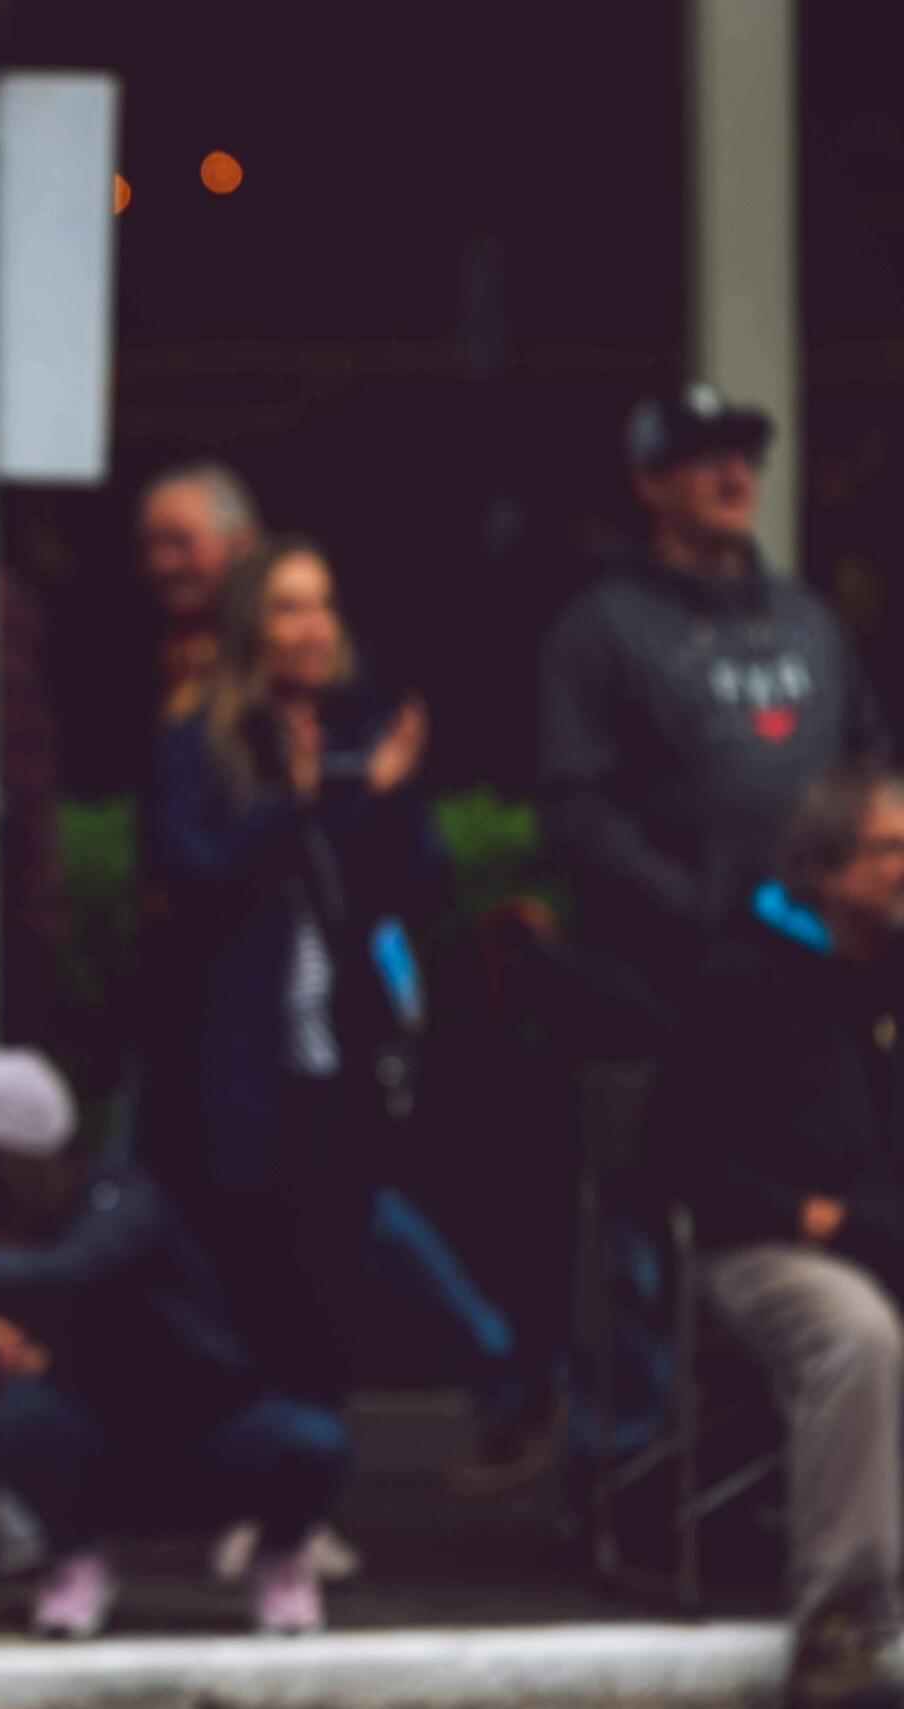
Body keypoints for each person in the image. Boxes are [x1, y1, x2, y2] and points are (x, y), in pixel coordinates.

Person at [0, 1048, 350, 1637]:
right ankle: (75, 1562)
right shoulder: (22, 1238)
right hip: (109, 1459)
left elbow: (76, 1268)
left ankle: (281, 1560)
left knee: (312, 1442)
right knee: (22, 1414)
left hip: (211, 1447)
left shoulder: (120, 1199)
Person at [144, 535, 440, 1407]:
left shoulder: (361, 728)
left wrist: (380, 795)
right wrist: (292, 802)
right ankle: (253, 1480)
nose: (312, 627)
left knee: (332, 1269)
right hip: (235, 1059)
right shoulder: (205, 740)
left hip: (337, 1050)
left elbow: (413, 886)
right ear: (251, 628)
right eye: (288, 606)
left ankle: (306, 1494)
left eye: (322, 604)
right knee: (246, 1269)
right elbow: (192, 874)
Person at [659, 765, 904, 1709]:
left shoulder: (886, 974)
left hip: (877, 1235)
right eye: (889, 849)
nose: (903, 868)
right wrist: (814, 1215)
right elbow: (680, 1159)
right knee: (860, 1333)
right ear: (828, 871)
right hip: (764, 1246)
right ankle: (840, 1632)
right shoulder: (745, 975)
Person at [538, 383, 888, 1041]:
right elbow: (574, 810)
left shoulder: (808, 619)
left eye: (745, 458)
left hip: (826, 975)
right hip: (667, 991)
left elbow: (870, 766)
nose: (734, 476)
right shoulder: (600, 630)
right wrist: (701, 901)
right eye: (705, 459)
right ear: (650, 483)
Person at [137, 460, 263, 727]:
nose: (162, 564)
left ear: (241, 543)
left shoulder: (275, 651)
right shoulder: (137, 651)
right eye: (151, 543)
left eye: (181, 542)